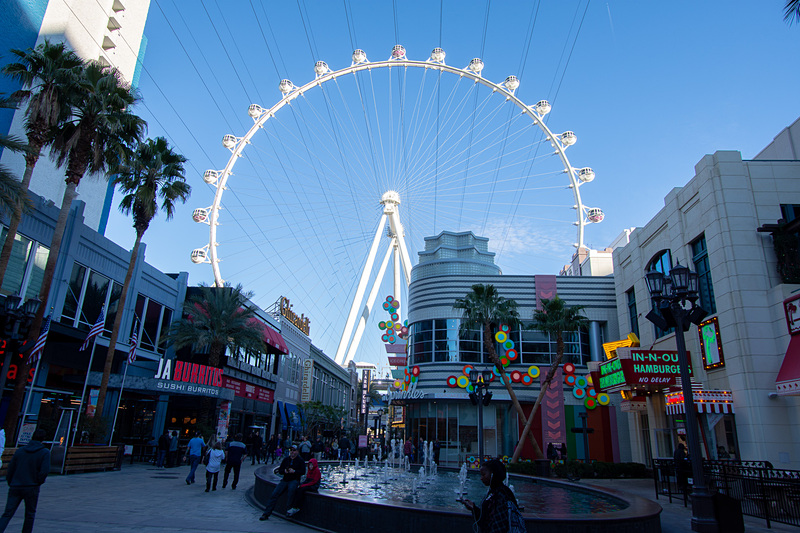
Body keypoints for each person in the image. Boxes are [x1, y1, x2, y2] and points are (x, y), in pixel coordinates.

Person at [0, 428, 50, 533]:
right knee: (30, 514)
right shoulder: (44, 452)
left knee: (7, 513)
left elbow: (11, 468)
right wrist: (37, 482)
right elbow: (44, 471)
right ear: (43, 439)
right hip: (31, 486)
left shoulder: (20, 451)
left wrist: (11, 481)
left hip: (16, 485)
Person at [462, 459, 520, 533]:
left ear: (493, 474)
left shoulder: (501, 494)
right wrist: (474, 508)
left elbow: (499, 525)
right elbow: (486, 519)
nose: (481, 478)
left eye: (483, 474)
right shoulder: (494, 491)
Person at [259, 445, 306, 521]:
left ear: (297, 451)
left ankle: (289, 512)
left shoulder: (300, 460)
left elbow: (303, 471)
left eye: (294, 450)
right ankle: (266, 513)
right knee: (274, 494)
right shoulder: (286, 459)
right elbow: (280, 470)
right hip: (285, 480)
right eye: (291, 450)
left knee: (291, 492)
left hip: (294, 480)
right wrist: (285, 471)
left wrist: (294, 471)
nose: (292, 452)